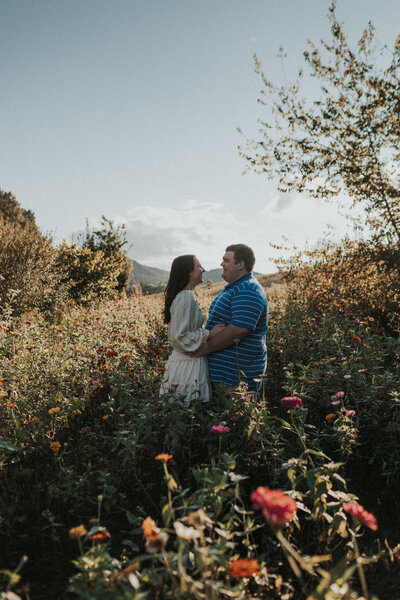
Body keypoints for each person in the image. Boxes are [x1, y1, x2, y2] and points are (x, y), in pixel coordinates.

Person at [192, 244, 268, 408]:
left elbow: (239, 329)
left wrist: (207, 348)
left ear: (240, 264)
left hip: (236, 377)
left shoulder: (248, 288)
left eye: (226, 260)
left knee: (238, 425)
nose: (221, 264)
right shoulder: (234, 288)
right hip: (222, 374)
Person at [159, 255, 224, 403]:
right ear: (189, 272)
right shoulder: (186, 297)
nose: (203, 269)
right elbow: (179, 337)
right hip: (187, 365)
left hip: (189, 362)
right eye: (199, 266)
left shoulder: (187, 296)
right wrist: (209, 334)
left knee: (188, 414)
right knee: (185, 413)